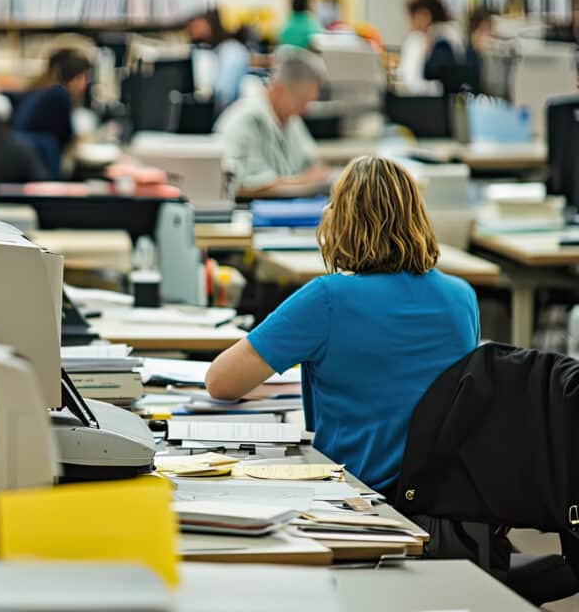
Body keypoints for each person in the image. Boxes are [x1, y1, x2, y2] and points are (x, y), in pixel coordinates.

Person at [205, 156, 480, 495]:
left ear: (340, 220)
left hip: (356, 494)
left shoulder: (328, 298)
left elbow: (220, 382)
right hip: (443, 502)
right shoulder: (462, 297)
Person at [213, 47, 331, 198]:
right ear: (279, 89)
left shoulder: (291, 118)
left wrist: (303, 180)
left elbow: (314, 166)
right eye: (302, 101)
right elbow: (239, 186)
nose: (305, 110)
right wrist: (303, 182)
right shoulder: (243, 121)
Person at [12, 48, 92, 179]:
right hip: (42, 168)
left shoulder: (42, 92)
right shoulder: (59, 94)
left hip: (30, 166)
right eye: (83, 77)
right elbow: (66, 136)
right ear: (75, 77)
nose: (85, 84)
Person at [399, 0, 468, 94]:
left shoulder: (444, 41)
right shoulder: (445, 34)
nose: (410, 25)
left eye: (412, 18)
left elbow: (419, 82)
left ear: (425, 16)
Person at [185, 10, 251, 110]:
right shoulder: (207, 52)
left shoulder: (233, 51)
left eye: (197, 27)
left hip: (226, 112)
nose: (193, 32)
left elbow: (224, 95)